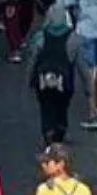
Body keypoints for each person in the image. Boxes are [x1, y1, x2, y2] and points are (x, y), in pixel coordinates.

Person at [27, 8, 84, 144]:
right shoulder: (73, 38)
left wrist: (30, 79)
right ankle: (60, 133)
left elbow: (33, 60)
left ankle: (48, 136)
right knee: (62, 108)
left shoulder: (40, 37)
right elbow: (82, 65)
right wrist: (89, 87)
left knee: (46, 109)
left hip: (43, 82)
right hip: (65, 83)